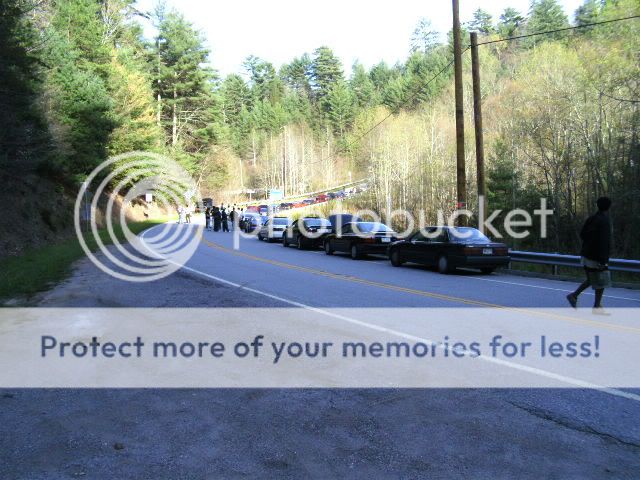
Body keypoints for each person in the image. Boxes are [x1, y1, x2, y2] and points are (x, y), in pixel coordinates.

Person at [566, 197, 612, 313]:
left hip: (586, 255)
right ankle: (595, 306)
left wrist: (589, 243)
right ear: (608, 207)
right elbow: (603, 242)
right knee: (600, 281)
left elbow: (582, 234)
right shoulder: (604, 221)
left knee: (592, 279)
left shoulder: (591, 219)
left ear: (598, 206)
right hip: (596, 257)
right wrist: (603, 261)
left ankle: (575, 296)